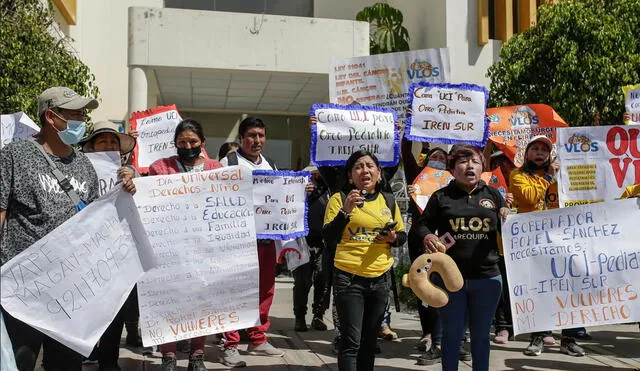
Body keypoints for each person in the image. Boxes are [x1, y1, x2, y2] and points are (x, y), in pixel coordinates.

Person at [0, 87, 131, 371]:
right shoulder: (14, 155)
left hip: (70, 291)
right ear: (51, 116)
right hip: (23, 288)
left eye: (83, 114)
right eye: (75, 114)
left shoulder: (84, 164)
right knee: (20, 361)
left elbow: (95, 221)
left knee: (66, 365)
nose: (81, 120)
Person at [416, 144, 508, 371]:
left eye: (475, 162)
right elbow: (422, 225)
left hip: (487, 278)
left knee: (480, 336)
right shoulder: (441, 197)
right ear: (452, 168)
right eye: (463, 162)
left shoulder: (493, 195)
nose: (470, 166)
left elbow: (509, 227)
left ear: (482, 167)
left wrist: (506, 213)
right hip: (449, 280)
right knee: (452, 334)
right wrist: (427, 235)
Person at [148, 119, 222, 371]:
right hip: (169, 247)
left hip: (204, 247)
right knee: (170, 300)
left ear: (203, 143)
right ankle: (168, 355)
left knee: (200, 301)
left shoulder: (216, 168)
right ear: (175, 144)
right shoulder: (161, 167)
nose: (188, 146)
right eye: (182, 142)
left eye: (193, 141)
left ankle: (197, 355)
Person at [322, 150, 407, 371]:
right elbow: (329, 238)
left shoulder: (387, 200)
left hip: (379, 279)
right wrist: (345, 211)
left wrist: (393, 237)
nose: (365, 171)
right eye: (358, 167)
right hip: (349, 279)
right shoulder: (338, 199)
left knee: (370, 343)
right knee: (351, 341)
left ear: (379, 173)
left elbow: (401, 235)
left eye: (370, 166)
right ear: (351, 175)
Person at [509, 135, 587, 357]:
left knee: (569, 288)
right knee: (538, 289)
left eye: (544, 149)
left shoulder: (564, 175)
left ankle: (568, 339)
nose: (540, 152)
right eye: (535, 148)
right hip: (534, 242)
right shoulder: (518, 175)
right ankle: (538, 336)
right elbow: (528, 198)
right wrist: (549, 177)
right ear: (527, 154)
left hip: (564, 239)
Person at [218, 117, 285, 367]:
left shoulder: (272, 165)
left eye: (261, 135)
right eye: (252, 135)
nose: (257, 140)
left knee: (265, 290)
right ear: (241, 138)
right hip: (238, 241)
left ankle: (257, 338)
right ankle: (229, 344)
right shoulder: (229, 163)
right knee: (234, 292)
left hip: (266, 240)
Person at [80, 121, 139, 370]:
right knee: (84, 307)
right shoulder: (78, 171)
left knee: (114, 309)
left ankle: (109, 360)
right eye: (102, 141)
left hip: (116, 253)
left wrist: (134, 180)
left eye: (113, 141)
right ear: (92, 147)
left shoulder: (127, 172)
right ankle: (83, 351)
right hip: (83, 251)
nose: (108, 145)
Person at [401, 137, 448, 364]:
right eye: (434, 157)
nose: (438, 161)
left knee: (442, 286)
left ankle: (443, 336)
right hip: (420, 239)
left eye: (442, 158)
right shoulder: (417, 177)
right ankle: (427, 333)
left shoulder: (453, 182)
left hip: (446, 242)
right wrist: (409, 130)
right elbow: (406, 153)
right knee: (422, 287)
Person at [293, 165, 329, 332]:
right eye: (313, 173)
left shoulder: (329, 189)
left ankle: (318, 316)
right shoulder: (298, 187)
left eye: (318, 172)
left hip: (323, 243)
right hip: (302, 242)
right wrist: (301, 193)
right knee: (302, 283)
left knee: (323, 281)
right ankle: (300, 317)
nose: (315, 176)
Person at [488, 151, 515, 345]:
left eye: (506, 161)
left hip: (520, 245)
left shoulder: (522, 178)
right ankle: (503, 326)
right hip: (495, 246)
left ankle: (523, 326)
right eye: (498, 162)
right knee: (500, 289)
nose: (503, 165)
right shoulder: (488, 184)